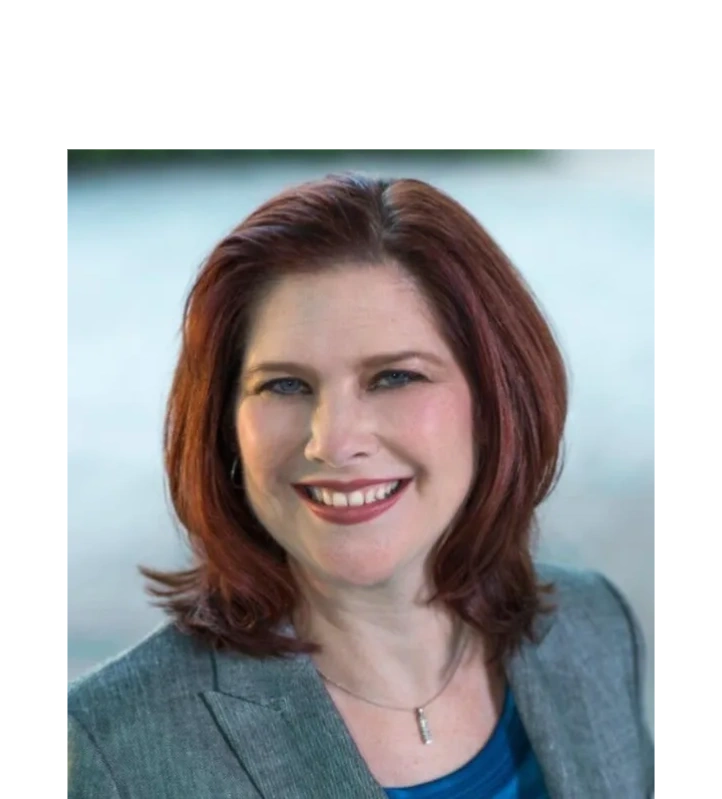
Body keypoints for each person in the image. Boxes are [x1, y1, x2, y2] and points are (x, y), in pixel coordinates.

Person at [65, 173, 656, 799]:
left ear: (497, 400)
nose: (333, 441)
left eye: (394, 377)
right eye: (285, 386)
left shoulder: (594, 628)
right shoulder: (118, 745)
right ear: (224, 427)